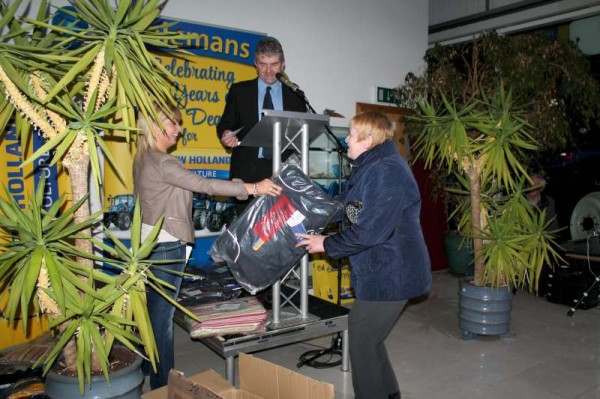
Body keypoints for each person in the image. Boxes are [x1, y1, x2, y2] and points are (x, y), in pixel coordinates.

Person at [133, 102, 282, 389]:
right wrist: (253, 188)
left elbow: (188, 188)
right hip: (166, 246)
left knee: (155, 317)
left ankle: (152, 376)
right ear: (155, 127)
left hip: (150, 245)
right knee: (162, 323)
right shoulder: (165, 162)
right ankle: (164, 387)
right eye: (173, 123)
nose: (179, 129)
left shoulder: (143, 159)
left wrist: (236, 184)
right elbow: (203, 185)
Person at [296, 111, 432, 399]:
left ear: (369, 140)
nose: (346, 139)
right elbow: (349, 205)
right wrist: (308, 206)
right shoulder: (373, 165)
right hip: (382, 269)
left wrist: (327, 244)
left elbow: (370, 231)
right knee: (369, 338)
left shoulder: (385, 170)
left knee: (361, 338)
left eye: (352, 135)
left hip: (393, 272)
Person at [216, 36, 306, 185]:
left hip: (285, 174)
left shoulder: (294, 93)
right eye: (263, 64)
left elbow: (301, 134)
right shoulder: (240, 91)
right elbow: (225, 124)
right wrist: (226, 134)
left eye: (274, 64)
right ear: (255, 64)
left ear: (283, 65)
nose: (269, 71)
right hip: (246, 173)